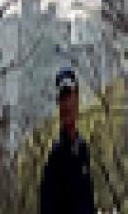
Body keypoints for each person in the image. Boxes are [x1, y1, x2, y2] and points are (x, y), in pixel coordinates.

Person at [40, 67, 98, 214]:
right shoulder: (55, 157)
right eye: (62, 99)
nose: (66, 105)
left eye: (69, 96)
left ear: (77, 98)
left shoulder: (82, 149)